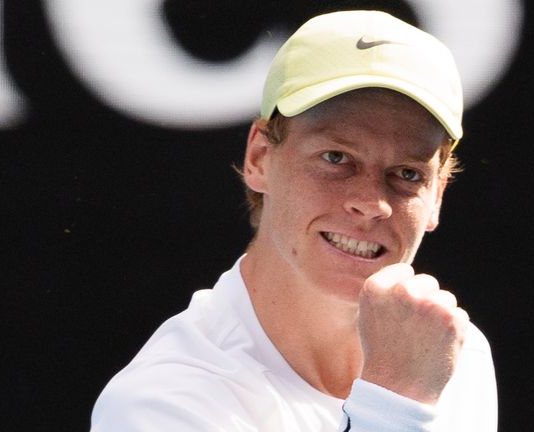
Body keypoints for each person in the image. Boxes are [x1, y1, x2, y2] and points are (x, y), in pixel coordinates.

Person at [91, 10, 497, 431]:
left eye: (408, 174)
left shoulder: (455, 359)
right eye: (336, 158)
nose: (372, 203)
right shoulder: (158, 405)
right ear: (259, 158)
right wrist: (397, 405)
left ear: (437, 197)